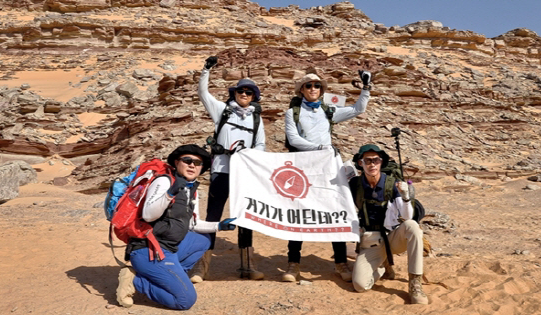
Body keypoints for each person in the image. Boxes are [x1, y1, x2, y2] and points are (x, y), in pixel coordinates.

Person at [116, 144, 237, 310]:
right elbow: (148, 215)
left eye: (198, 163)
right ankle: (136, 281)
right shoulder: (164, 181)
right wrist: (169, 193)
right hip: (149, 250)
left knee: (203, 240)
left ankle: (170, 275)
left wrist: (219, 226)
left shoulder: (190, 188)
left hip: (169, 247)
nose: (192, 165)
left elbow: (193, 224)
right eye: (187, 160)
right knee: (185, 301)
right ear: (176, 162)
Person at [282, 70, 372, 282]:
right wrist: (319, 147)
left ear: (322, 90)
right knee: (298, 214)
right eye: (309, 85)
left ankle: (340, 263)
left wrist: (366, 88)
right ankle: (293, 264)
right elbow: (294, 139)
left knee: (334, 211)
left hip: (326, 169)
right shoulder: (292, 113)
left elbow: (358, 109)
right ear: (301, 89)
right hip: (303, 168)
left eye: (317, 86)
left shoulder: (328, 110)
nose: (313, 89)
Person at [191, 55, 266, 282]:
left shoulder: (256, 118)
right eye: (241, 91)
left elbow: (260, 144)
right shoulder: (222, 111)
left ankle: (247, 265)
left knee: (245, 216)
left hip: (244, 174)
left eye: (249, 92)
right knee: (213, 214)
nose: (244, 94)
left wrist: (251, 157)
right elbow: (203, 94)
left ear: (254, 96)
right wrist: (206, 70)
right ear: (234, 93)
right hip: (221, 170)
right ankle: (201, 266)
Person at [349, 144, 428, 305]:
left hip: (392, 238)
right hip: (370, 242)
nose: (372, 164)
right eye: (367, 160)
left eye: (376, 160)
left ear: (381, 162)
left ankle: (415, 283)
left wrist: (406, 198)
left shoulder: (392, 184)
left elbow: (406, 216)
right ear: (360, 163)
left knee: (412, 226)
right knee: (360, 285)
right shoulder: (355, 185)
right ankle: (382, 266)